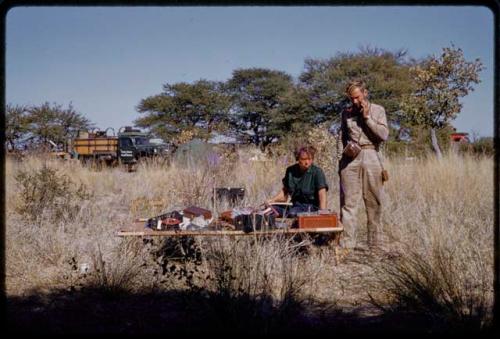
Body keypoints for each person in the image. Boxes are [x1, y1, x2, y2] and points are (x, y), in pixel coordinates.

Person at [337, 79, 389, 250]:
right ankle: (347, 245)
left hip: (371, 155)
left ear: (365, 93)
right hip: (350, 158)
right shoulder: (346, 113)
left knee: (374, 202)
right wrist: (342, 156)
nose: (355, 101)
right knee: (348, 203)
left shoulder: (378, 110)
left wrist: (367, 118)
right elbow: (343, 137)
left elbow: (383, 135)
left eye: (357, 97)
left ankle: (375, 246)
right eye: (351, 98)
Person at [266, 145, 328, 218]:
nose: (307, 162)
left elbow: (322, 194)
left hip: (311, 207)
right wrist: (272, 200)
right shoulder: (290, 171)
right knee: (270, 209)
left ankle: (284, 215)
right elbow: (284, 194)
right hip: (294, 205)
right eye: (304, 159)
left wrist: (322, 213)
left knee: (293, 212)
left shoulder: (317, 172)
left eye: (309, 159)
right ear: (298, 159)